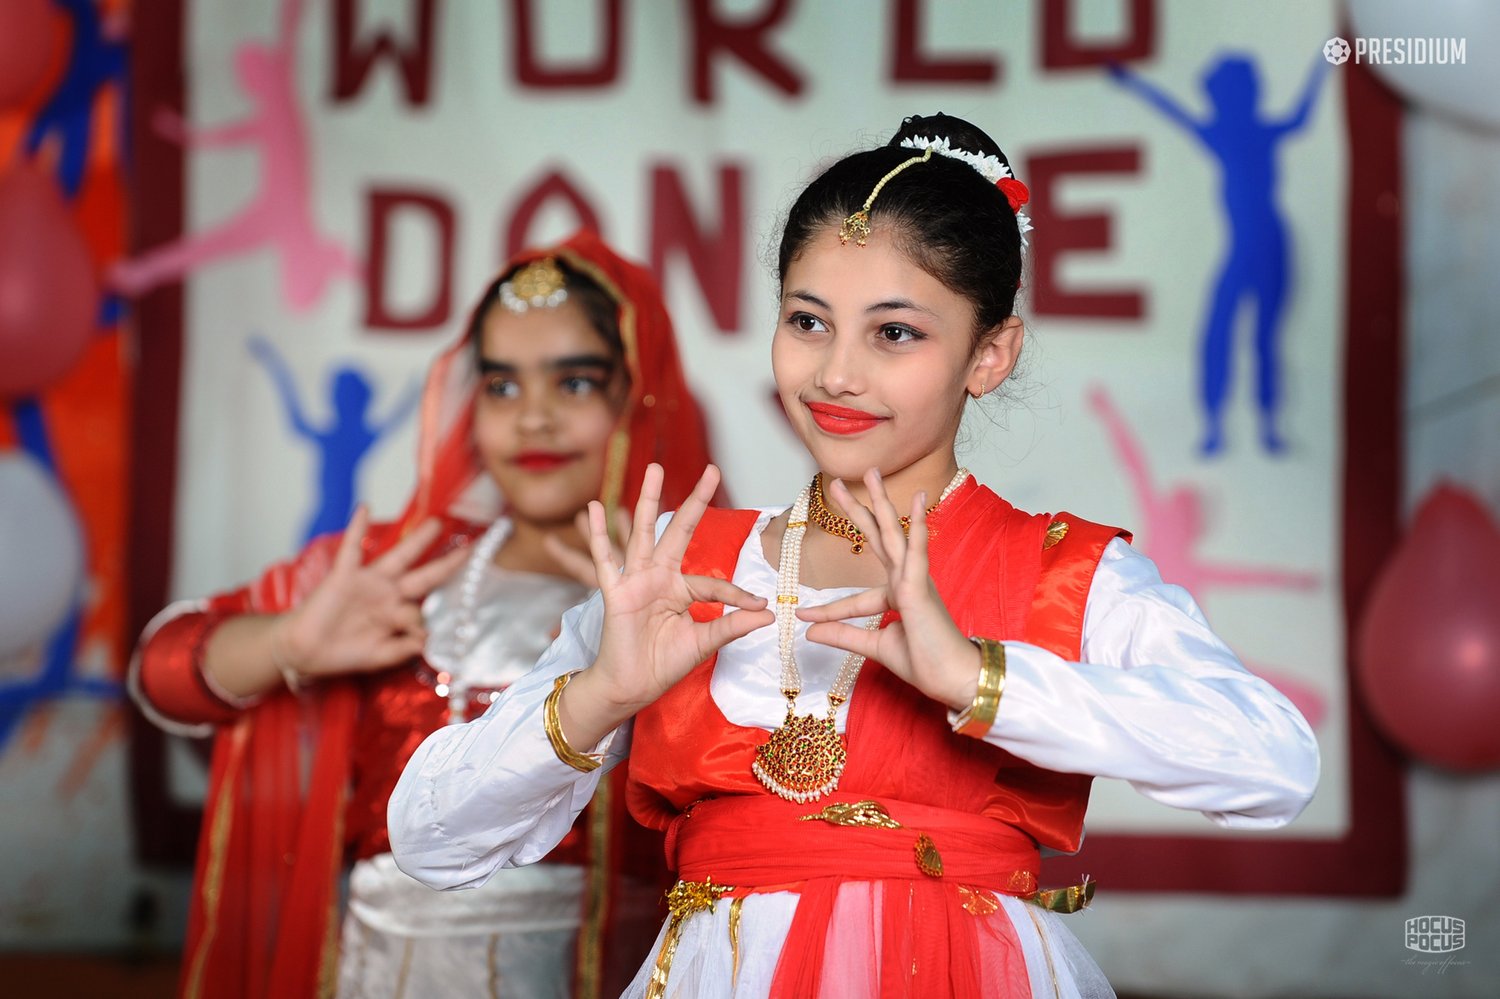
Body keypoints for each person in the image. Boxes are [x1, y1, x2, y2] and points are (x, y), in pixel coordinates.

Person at [388, 115, 1321, 998]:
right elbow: (426, 839)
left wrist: (979, 679)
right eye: (807, 321)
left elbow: (1275, 762)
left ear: (989, 355)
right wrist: (600, 694)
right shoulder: (680, 569)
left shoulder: (1062, 571)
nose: (836, 371)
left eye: (895, 332)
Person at [129, 230, 716, 999]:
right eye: (502, 386)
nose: (532, 419)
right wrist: (293, 641)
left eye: (572, 383)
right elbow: (162, 675)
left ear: (641, 394)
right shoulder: (399, 569)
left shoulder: (711, 584)